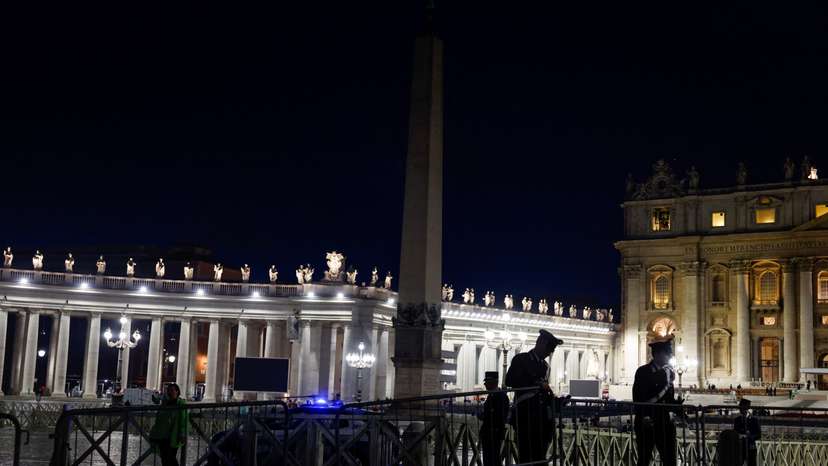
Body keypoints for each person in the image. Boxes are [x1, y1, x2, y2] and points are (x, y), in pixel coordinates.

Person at [505, 329, 565, 463]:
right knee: (526, 456)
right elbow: (509, 381)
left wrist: (557, 401)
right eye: (549, 349)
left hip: (542, 420)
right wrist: (534, 383)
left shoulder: (545, 366)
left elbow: (543, 392)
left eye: (551, 350)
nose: (550, 353)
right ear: (540, 344)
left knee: (540, 456)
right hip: (525, 416)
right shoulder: (521, 359)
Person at [632, 336, 684, 466]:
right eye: (668, 354)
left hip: (665, 422)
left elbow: (668, 398)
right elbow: (639, 397)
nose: (670, 357)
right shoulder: (643, 371)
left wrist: (677, 406)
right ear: (659, 354)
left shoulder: (668, 372)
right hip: (647, 421)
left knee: (670, 459)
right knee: (644, 458)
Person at [150, 383, 189, 466]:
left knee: (170, 457)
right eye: (168, 391)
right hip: (162, 435)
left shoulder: (181, 403)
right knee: (164, 458)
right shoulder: (165, 403)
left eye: (172, 390)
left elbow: (184, 419)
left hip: (174, 435)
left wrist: (182, 433)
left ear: (177, 391)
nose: (169, 393)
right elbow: (159, 418)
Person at [479, 371, 509, 466]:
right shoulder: (493, 395)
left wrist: (483, 416)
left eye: (487, 382)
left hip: (493, 431)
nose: (485, 384)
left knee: (492, 458)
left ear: (493, 382)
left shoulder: (499, 396)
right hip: (490, 431)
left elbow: (498, 414)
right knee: (490, 458)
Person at [734, 398, 761, 466]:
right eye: (740, 407)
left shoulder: (754, 420)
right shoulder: (737, 420)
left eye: (741, 407)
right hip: (740, 447)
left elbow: (759, 435)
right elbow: (735, 433)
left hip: (750, 447)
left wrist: (749, 436)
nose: (740, 409)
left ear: (747, 408)